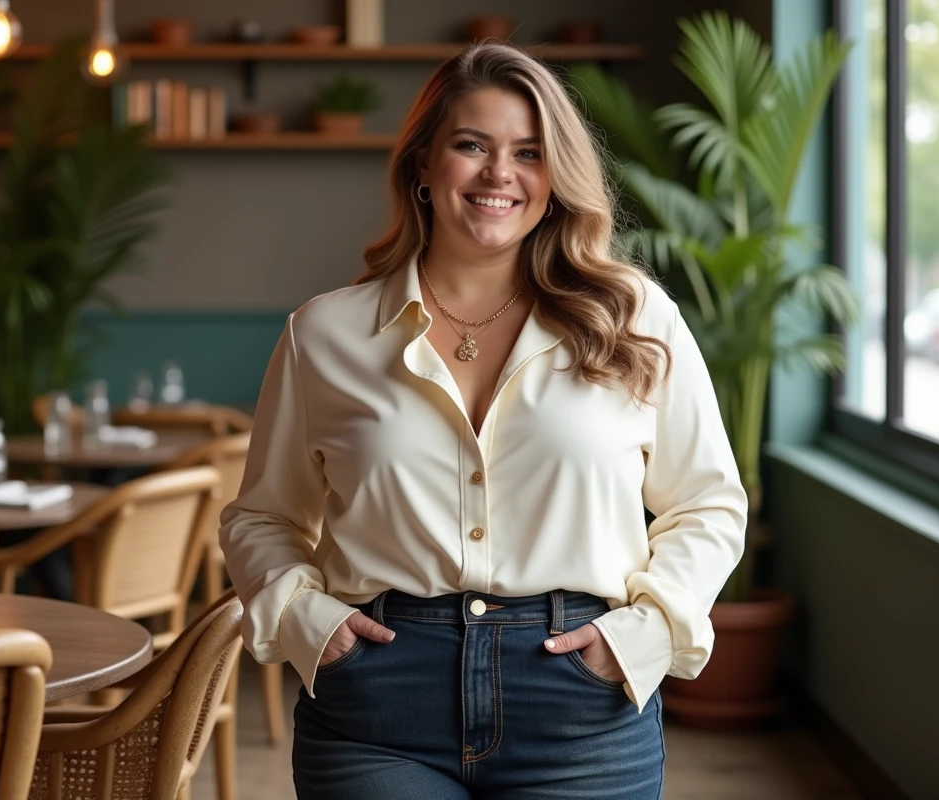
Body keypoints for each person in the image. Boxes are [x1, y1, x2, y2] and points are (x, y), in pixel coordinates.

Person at [219, 41, 747, 800]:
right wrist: (309, 622)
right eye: (472, 145)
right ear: (423, 166)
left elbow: (707, 504)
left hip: (580, 700)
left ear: (555, 179)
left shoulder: (634, 319)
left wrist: (647, 632)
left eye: (529, 153)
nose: (500, 173)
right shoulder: (324, 335)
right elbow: (262, 517)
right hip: (376, 698)